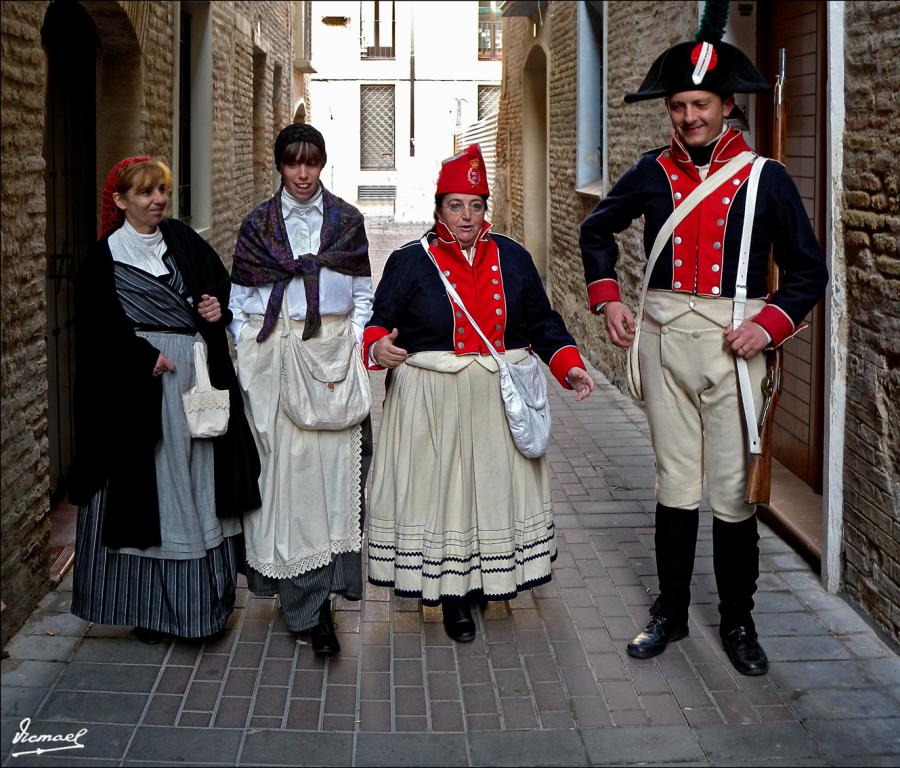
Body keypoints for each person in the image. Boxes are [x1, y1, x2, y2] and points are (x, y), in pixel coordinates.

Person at [578, 33, 828, 674]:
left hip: (733, 350)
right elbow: (595, 229)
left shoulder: (764, 178)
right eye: (679, 106)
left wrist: (769, 326)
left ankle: (739, 621)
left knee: (732, 495)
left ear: (726, 106)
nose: (689, 117)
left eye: (701, 105)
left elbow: (807, 272)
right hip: (663, 346)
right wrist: (608, 299)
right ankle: (670, 611)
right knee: (674, 487)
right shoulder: (651, 173)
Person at [365, 144, 595, 642]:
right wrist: (377, 349)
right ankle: (453, 597)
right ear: (438, 208)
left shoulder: (512, 257)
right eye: (455, 205)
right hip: (433, 403)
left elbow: (542, 324)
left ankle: (493, 580)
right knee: (445, 498)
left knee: (488, 496)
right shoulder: (409, 262)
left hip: (494, 401)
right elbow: (379, 323)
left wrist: (570, 367)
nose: (466, 216)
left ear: (485, 209)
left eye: (475, 205)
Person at [70, 156, 261, 643]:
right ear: (120, 201)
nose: (158, 200)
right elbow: (93, 334)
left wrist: (216, 307)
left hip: (195, 385)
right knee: (153, 495)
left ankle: (201, 610)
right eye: (145, 193)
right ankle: (151, 612)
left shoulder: (182, 240)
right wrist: (140, 357)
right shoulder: (102, 260)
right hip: (139, 396)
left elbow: (219, 289)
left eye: (161, 190)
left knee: (197, 490)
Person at [230, 123, 372, 655]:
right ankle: (304, 607)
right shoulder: (258, 226)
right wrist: (254, 351)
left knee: (335, 481)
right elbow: (241, 299)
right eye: (293, 163)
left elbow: (362, 293)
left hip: (331, 360)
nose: (303, 174)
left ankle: (324, 603)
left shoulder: (347, 223)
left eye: (311, 162)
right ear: (280, 165)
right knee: (289, 486)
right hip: (277, 358)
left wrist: (350, 345)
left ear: (323, 163)